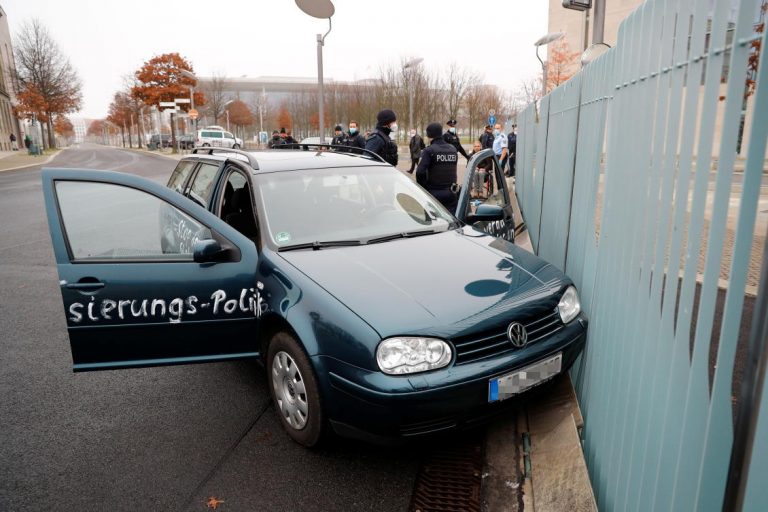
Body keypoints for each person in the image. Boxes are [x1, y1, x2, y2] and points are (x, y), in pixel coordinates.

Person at [416, 122, 459, 213]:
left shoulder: (429, 150)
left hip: (434, 193)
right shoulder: (452, 149)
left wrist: (424, 188)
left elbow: (420, 172)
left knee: (433, 221)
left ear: (428, 135)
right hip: (451, 192)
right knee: (452, 221)